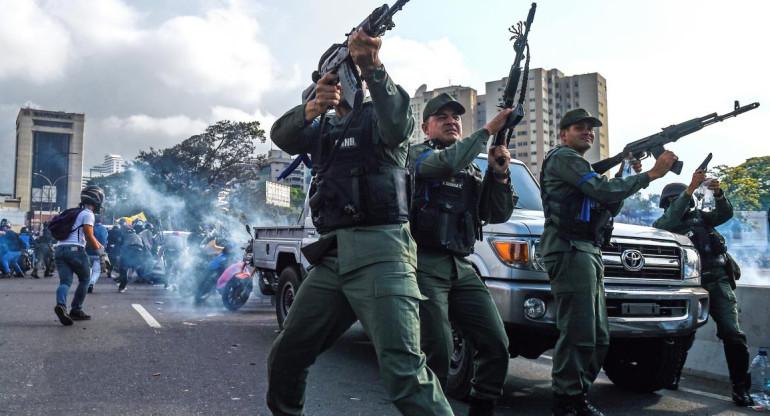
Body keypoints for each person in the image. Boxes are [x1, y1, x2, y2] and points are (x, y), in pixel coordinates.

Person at [265, 28, 453, 416]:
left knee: (406, 374)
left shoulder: (379, 117)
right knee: (288, 352)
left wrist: (373, 65)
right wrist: (312, 108)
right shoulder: (323, 128)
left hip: (384, 255)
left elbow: (400, 124)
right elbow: (281, 135)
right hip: (334, 257)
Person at [540, 108, 678, 416]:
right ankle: (567, 401)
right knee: (578, 332)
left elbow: (608, 203)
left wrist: (625, 173)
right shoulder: (564, 158)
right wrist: (651, 174)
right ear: (564, 134)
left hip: (587, 249)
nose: (587, 131)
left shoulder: (582, 167)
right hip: (569, 248)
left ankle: (577, 394)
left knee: (598, 336)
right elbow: (600, 190)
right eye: (579, 127)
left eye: (591, 128)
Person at [408, 93, 515, 416]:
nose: (452, 121)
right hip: (424, 263)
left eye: (456, 117)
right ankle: (430, 409)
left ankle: (482, 407)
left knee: (497, 344)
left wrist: (499, 174)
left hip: (461, 265)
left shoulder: (471, 167)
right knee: (436, 349)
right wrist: (486, 131)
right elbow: (444, 163)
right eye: (442, 117)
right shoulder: (416, 155)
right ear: (426, 128)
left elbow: (496, 214)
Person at [652, 170, 754, 406]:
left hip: (717, 280)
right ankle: (672, 375)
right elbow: (668, 220)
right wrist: (689, 189)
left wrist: (718, 193)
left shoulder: (702, 218)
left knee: (733, 334)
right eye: (679, 200)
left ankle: (741, 388)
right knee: (682, 334)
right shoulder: (665, 224)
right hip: (690, 284)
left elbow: (725, 212)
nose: (686, 204)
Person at [53, 185, 109, 326]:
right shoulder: (88, 214)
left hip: (59, 250)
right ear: (96, 199)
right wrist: (101, 254)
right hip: (75, 251)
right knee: (85, 279)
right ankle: (76, 309)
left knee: (65, 282)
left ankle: (61, 306)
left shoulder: (74, 212)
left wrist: (99, 245)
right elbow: (88, 236)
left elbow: (87, 236)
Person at [86, 214, 108, 293]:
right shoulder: (105, 229)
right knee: (96, 271)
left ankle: (87, 284)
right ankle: (91, 284)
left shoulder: (90, 228)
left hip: (88, 252)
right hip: (99, 253)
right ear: (101, 221)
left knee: (88, 269)